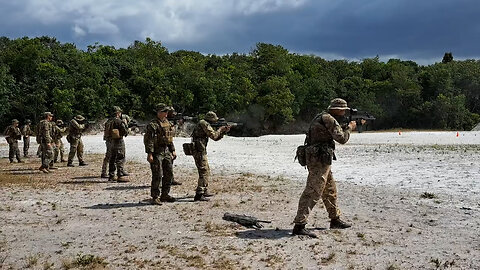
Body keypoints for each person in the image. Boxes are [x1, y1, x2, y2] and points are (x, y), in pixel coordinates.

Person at [292, 98, 356, 238]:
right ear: (338, 110)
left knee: (330, 189)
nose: (344, 112)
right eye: (343, 110)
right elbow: (342, 139)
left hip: (320, 159)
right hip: (319, 159)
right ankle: (299, 224)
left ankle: (335, 219)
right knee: (313, 190)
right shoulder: (329, 119)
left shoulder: (322, 116)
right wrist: (350, 127)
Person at [191, 111, 230, 202]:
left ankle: (204, 190)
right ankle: (199, 194)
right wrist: (220, 129)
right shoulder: (204, 123)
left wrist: (223, 132)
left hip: (200, 149)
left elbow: (216, 138)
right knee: (203, 171)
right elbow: (214, 135)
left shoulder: (204, 123)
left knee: (206, 169)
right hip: (198, 150)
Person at [144, 103, 177, 205]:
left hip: (166, 151)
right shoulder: (153, 125)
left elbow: (169, 139)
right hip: (157, 152)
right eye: (164, 111)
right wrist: (150, 153)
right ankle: (155, 196)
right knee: (157, 174)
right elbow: (148, 140)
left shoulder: (167, 123)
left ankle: (165, 194)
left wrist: (173, 150)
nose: (167, 113)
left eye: (167, 111)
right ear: (159, 112)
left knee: (169, 173)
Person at [101, 110, 130, 178]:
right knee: (120, 157)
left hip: (110, 141)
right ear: (117, 113)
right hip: (118, 141)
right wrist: (127, 128)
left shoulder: (108, 121)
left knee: (112, 158)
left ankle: (111, 175)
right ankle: (120, 175)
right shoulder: (119, 121)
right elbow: (125, 132)